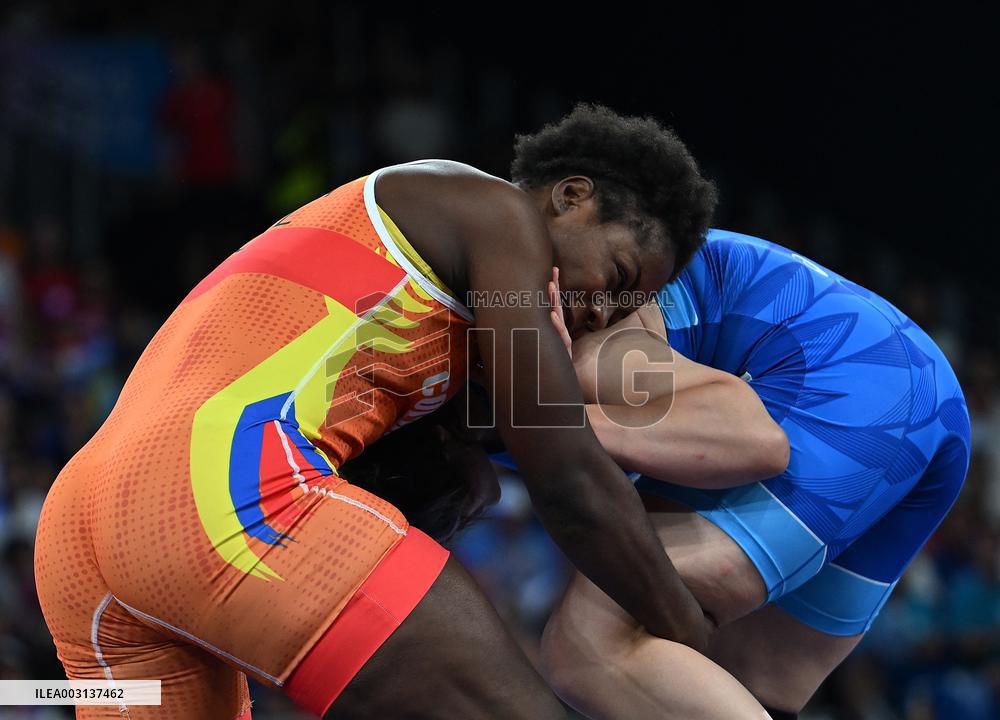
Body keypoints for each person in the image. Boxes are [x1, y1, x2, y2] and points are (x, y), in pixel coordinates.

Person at [33, 105, 722, 719]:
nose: (602, 310)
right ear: (572, 197)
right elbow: (566, 475)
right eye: (619, 277)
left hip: (81, 544)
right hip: (218, 495)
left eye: (621, 310)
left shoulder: (421, 279)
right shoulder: (497, 215)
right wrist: (693, 632)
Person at [537, 228, 971, 719]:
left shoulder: (579, 355)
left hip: (855, 379)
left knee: (587, 645)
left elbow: (757, 442)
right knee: (735, 682)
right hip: (911, 389)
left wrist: (541, 420)